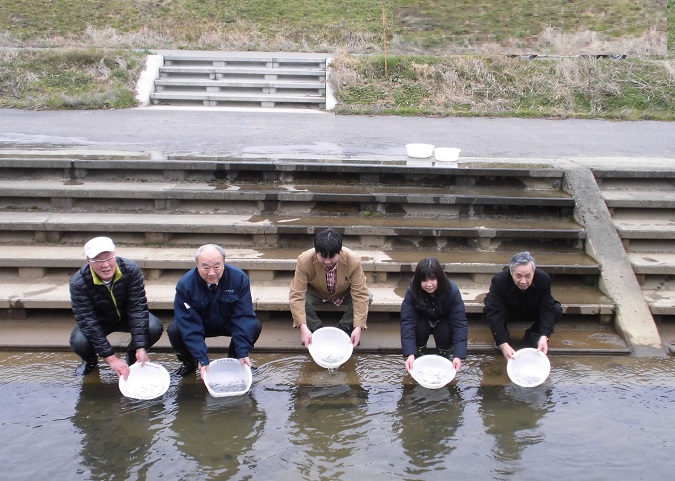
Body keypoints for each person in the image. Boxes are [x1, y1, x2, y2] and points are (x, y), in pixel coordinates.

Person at [69, 236, 163, 379]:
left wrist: (140, 347)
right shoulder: (78, 283)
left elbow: (137, 308)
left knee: (154, 326)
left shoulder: (131, 270)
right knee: (79, 341)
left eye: (108, 258)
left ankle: (133, 356)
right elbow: (88, 321)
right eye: (98, 260)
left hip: (126, 316)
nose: (105, 265)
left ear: (115, 255)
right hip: (100, 320)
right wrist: (111, 359)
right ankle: (90, 361)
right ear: (89, 261)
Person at [168, 244, 262, 377]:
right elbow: (189, 323)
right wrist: (201, 357)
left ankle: (236, 359)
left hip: (227, 322)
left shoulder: (239, 278)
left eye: (216, 267)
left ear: (224, 264)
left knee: (254, 325)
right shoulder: (185, 285)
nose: (211, 273)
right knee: (175, 329)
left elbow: (243, 316)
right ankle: (189, 363)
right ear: (197, 266)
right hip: (200, 324)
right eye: (206, 267)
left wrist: (243, 351)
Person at [289, 228, 371, 349]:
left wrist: (358, 327)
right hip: (316, 293)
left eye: (332, 257)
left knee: (369, 296)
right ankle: (315, 329)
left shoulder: (353, 260)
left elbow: (360, 294)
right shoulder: (304, 260)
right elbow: (296, 295)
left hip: (343, 293)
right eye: (322, 257)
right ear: (316, 252)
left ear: (339, 252)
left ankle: (345, 327)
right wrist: (303, 327)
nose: (327, 261)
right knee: (302, 301)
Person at [485, 251, 562, 360]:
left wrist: (544, 335)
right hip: (508, 311)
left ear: (533, 272)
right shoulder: (499, 281)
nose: (523, 281)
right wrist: (502, 342)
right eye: (518, 276)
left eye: (528, 276)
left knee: (556, 309)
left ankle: (533, 335)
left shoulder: (544, 279)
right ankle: (504, 336)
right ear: (511, 272)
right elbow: (494, 312)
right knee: (490, 307)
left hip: (531, 309)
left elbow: (547, 308)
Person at [400, 257, 468, 373]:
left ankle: (445, 357)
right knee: (419, 329)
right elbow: (407, 321)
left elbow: (459, 323)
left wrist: (458, 355)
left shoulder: (452, 291)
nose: (429, 284)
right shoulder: (412, 291)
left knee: (445, 332)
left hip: (443, 321)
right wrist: (409, 353)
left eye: (432, 279)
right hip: (423, 321)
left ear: (439, 278)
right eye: (424, 280)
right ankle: (417, 356)